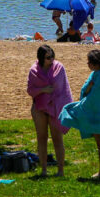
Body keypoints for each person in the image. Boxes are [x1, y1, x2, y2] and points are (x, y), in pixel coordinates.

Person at [60, 49, 100, 182]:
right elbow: (86, 90)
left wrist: (85, 98)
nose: (88, 63)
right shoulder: (95, 74)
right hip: (95, 116)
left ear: (96, 63)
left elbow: (95, 97)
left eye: (89, 61)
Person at [27, 44, 73, 177]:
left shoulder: (59, 67)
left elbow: (63, 88)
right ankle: (44, 170)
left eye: (52, 55)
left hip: (55, 106)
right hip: (39, 107)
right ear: (41, 58)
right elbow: (30, 90)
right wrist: (43, 90)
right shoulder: (34, 71)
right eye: (48, 57)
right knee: (41, 138)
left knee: (57, 138)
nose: (51, 59)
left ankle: (60, 170)